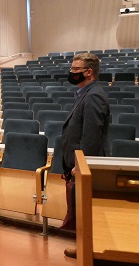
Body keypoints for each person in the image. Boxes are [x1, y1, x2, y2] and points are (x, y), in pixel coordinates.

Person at [61, 53, 110, 259]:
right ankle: (84, 246)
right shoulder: (85, 93)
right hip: (78, 163)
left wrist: (81, 165)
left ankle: (90, 249)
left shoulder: (94, 95)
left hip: (84, 165)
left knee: (87, 210)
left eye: (75, 69)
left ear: (88, 72)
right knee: (81, 209)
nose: (71, 73)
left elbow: (91, 136)